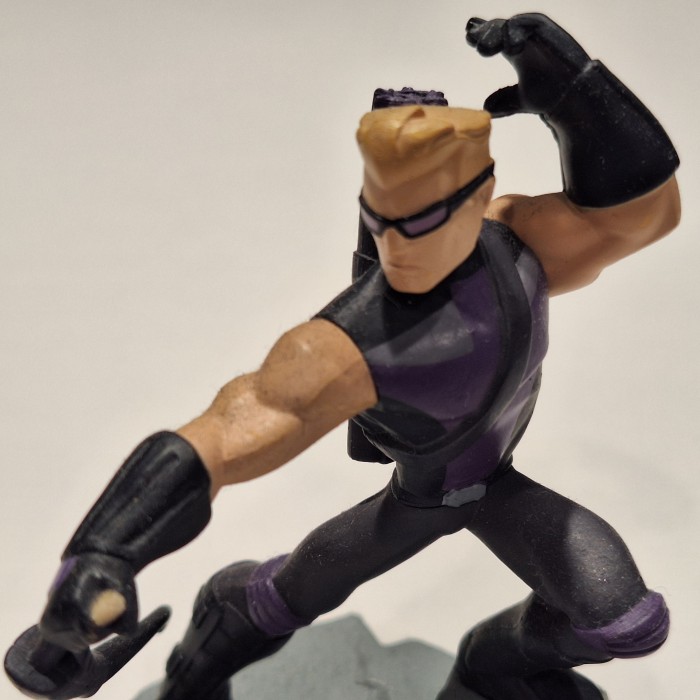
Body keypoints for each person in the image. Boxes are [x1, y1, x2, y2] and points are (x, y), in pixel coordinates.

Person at [5, 14, 681, 700]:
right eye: (383, 221)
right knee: (283, 599)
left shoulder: (519, 246)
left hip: (496, 486)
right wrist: (106, 551)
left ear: (480, 197)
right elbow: (231, 427)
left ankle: (496, 667)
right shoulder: (355, 340)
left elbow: (640, 214)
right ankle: (215, 634)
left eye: (425, 223)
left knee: (626, 620)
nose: (399, 250)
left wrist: (575, 93)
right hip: (418, 499)